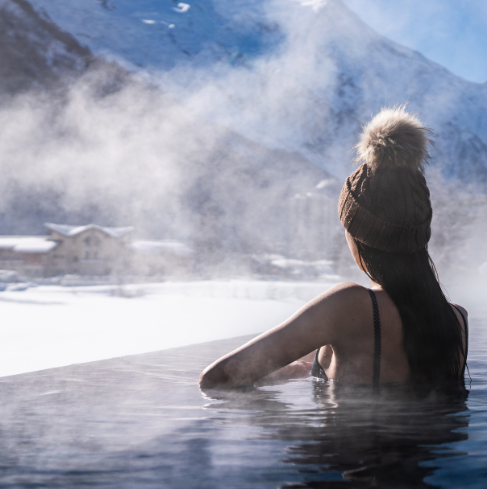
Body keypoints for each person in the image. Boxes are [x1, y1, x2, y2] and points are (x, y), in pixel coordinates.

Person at [199, 107, 468, 389]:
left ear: (360, 234)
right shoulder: (456, 320)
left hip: (353, 432)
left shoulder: (348, 305)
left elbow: (216, 379)